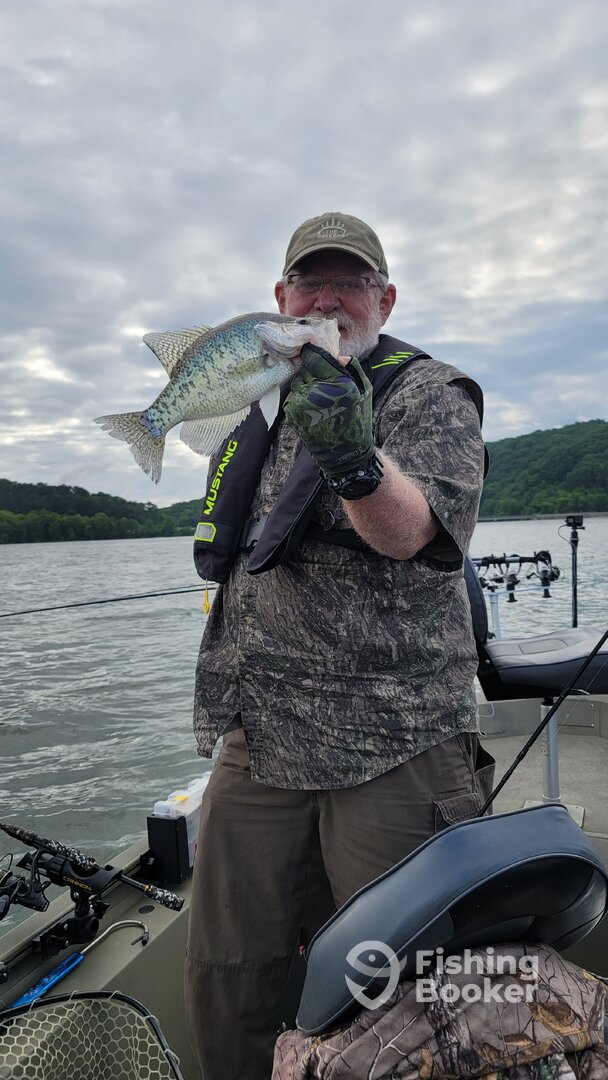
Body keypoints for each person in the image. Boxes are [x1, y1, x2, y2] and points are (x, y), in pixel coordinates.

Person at [185, 212, 494, 1080]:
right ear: (279, 301)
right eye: (309, 283)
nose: (328, 300)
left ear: (383, 301)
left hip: (393, 740)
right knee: (228, 973)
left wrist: (355, 457)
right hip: (258, 733)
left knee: (400, 992)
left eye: (350, 283)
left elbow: (413, 531)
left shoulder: (430, 393)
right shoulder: (256, 400)